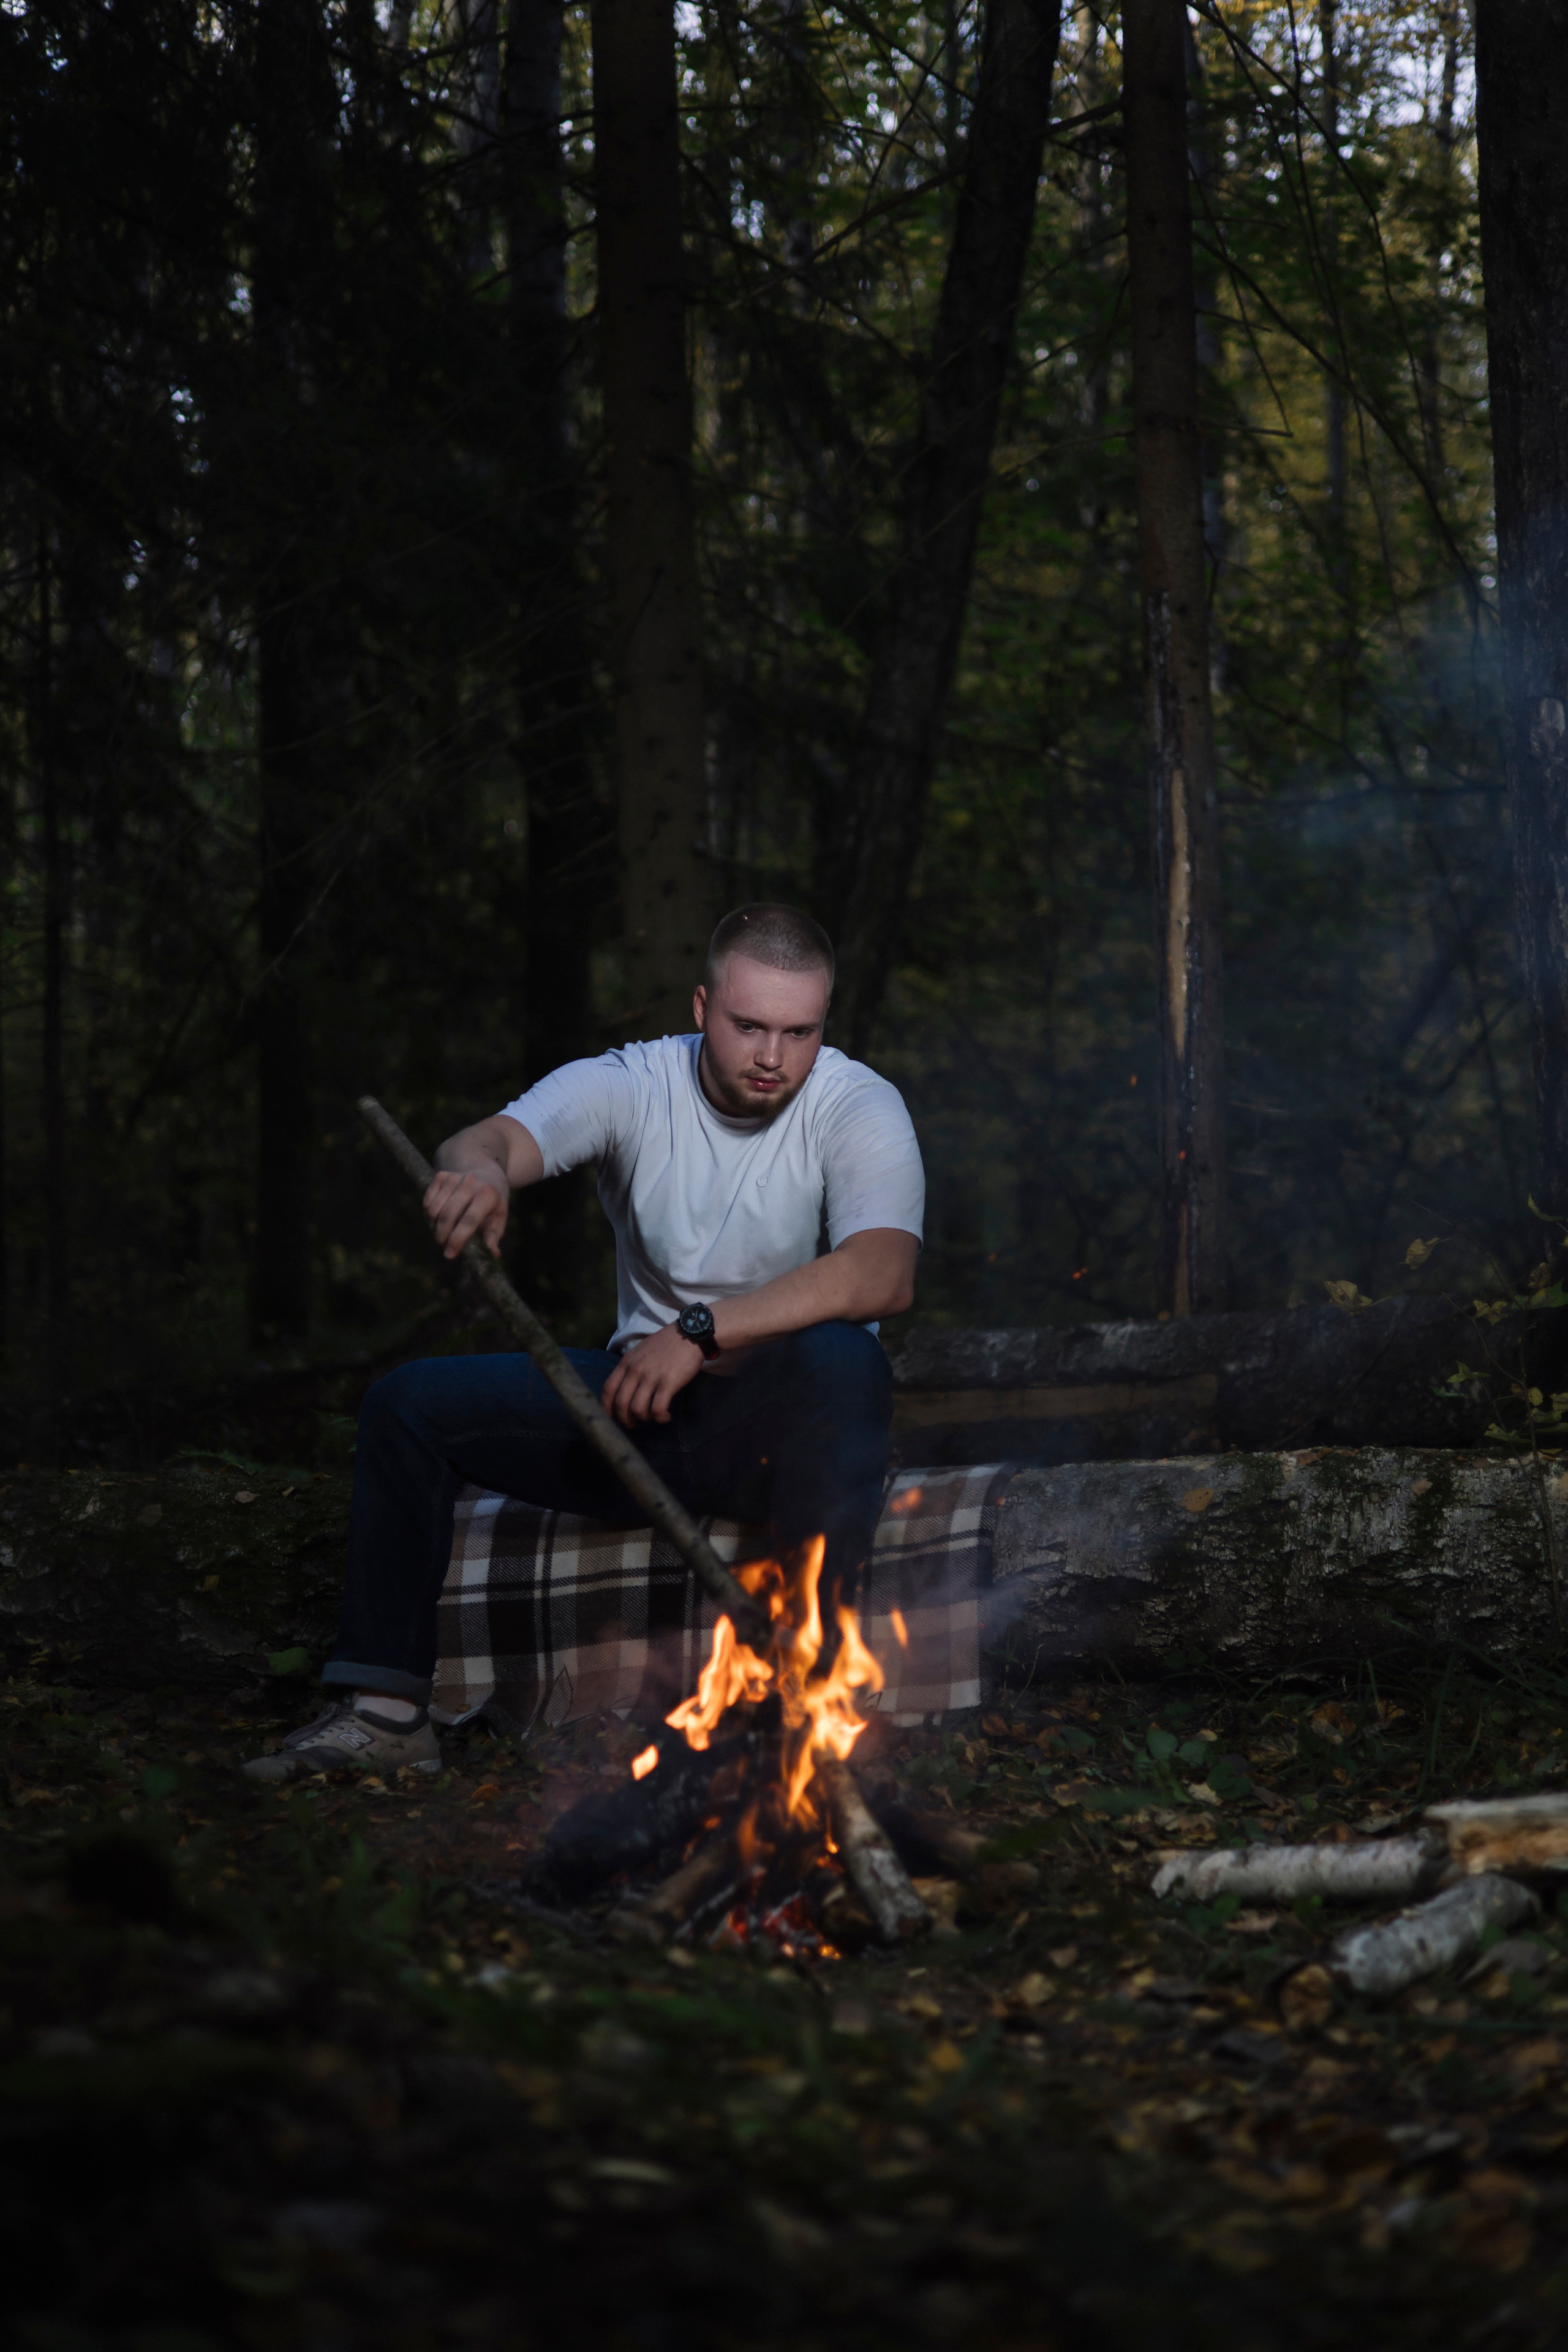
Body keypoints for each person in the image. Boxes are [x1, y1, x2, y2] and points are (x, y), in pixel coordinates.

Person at [246, 904, 925, 1782]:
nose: (771, 1056)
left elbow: (883, 1274)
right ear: (700, 1007)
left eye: (799, 1031)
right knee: (406, 1404)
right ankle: (386, 1714)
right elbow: (489, 1138)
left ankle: (810, 1691)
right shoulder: (634, 1085)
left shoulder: (856, 1101)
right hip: (634, 1415)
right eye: (748, 1025)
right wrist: (480, 1174)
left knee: (846, 1357)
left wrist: (700, 1331)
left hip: (780, 1441)